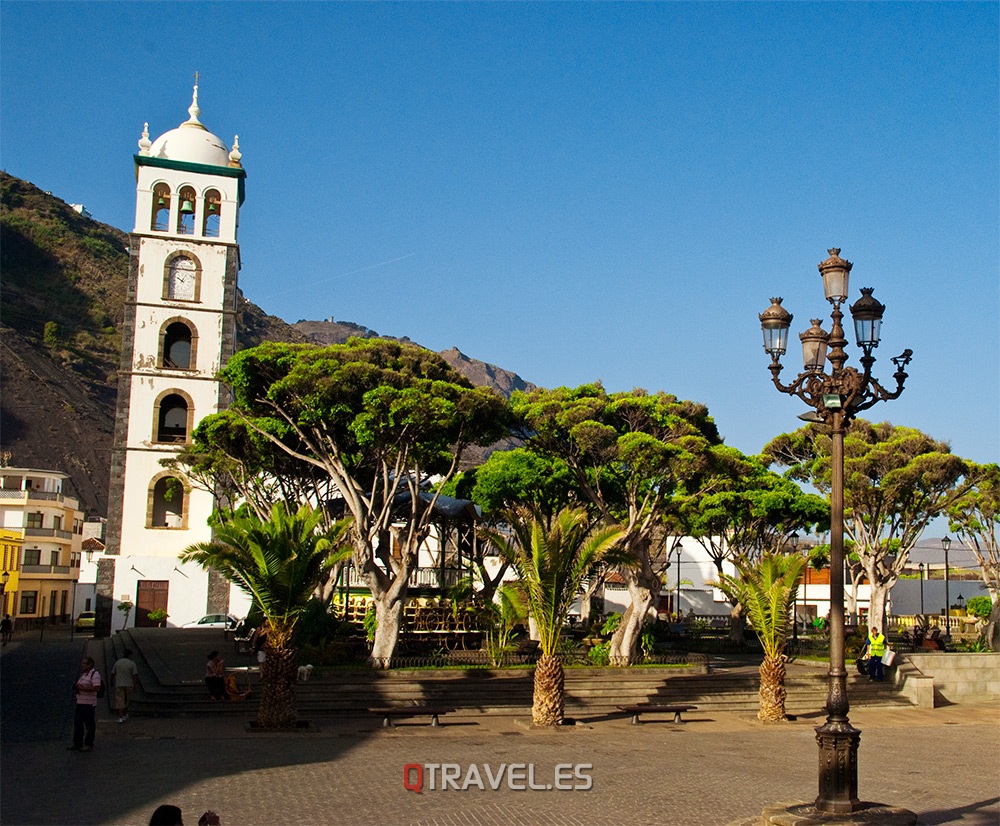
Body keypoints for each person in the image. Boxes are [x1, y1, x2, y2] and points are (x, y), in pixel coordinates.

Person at [68, 655, 101, 752]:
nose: (82, 665)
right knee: (78, 723)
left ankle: (88, 744)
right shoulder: (84, 674)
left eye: (84, 664)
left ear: (90, 664)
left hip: (89, 704)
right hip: (80, 702)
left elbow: (96, 688)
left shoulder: (94, 674)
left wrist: (82, 688)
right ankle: (77, 743)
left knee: (89, 724)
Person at [112, 647, 140, 722]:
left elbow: (113, 673)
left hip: (119, 684)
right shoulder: (132, 663)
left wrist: (111, 681)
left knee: (120, 700)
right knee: (127, 700)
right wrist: (134, 684)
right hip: (129, 684)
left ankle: (121, 716)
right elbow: (134, 675)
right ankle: (125, 713)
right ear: (130, 655)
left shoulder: (118, 662)